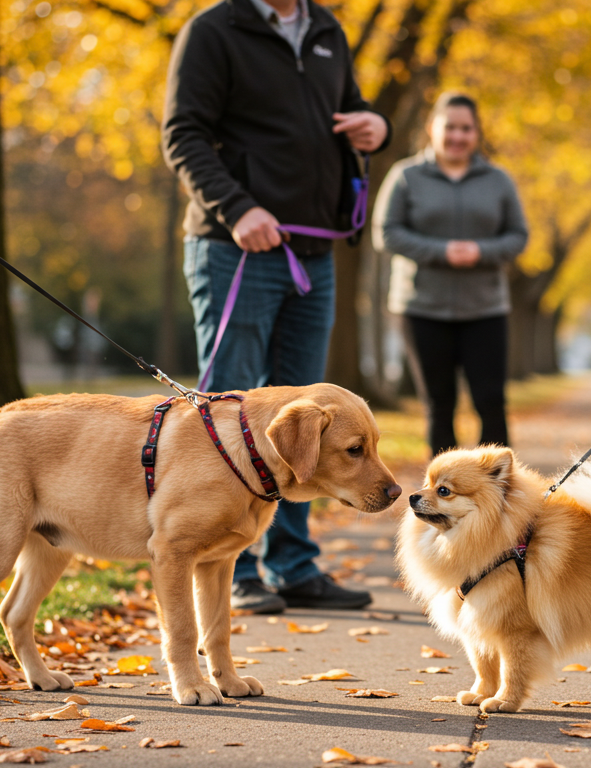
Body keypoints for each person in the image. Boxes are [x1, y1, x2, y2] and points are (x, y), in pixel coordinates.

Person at [162, 0, 391, 614]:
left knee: (309, 425)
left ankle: (290, 565)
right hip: (236, 246)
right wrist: (237, 209)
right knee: (228, 412)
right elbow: (182, 135)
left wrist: (375, 129)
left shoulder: (325, 30)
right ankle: (229, 565)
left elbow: (351, 112)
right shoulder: (213, 30)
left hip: (313, 250)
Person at [373, 92, 528, 457]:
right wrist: (440, 251)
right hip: (422, 307)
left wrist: (480, 251)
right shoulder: (406, 176)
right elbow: (385, 232)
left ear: (476, 133)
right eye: (450, 127)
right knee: (438, 404)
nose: (458, 136)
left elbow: (518, 236)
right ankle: (442, 500)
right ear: (432, 128)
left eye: (466, 128)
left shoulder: (498, 180)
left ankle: (503, 497)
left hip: (485, 308)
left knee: (490, 402)